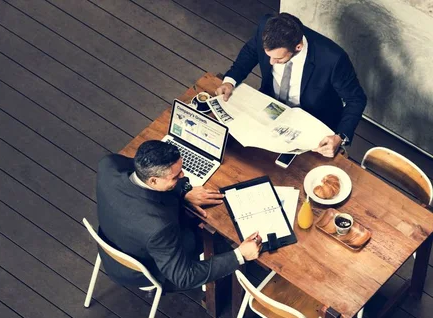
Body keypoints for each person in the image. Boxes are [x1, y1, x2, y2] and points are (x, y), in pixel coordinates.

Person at [96, 140, 262, 291]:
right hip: (141, 271)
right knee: (209, 237)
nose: (183, 176)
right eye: (176, 176)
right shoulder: (158, 228)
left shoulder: (108, 166)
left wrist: (182, 191)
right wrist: (239, 255)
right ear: (153, 181)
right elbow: (185, 277)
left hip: (112, 242)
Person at [216, 13, 367, 158]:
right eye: (269, 56)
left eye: (278, 58)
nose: (271, 62)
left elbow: (356, 99)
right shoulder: (266, 28)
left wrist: (340, 136)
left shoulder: (333, 59)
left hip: (313, 120)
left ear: (298, 47)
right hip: (270, 106)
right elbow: (250, 51)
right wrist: (230, 80)